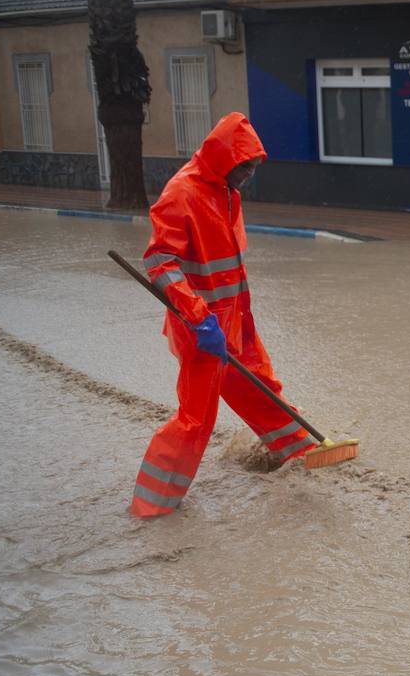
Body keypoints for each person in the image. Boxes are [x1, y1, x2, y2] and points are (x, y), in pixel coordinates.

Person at [131, 113, 315, 517]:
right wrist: (198, 318)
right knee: (196, 419)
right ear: (223, 160)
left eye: (252, 167)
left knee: (261, 386)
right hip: (200, 327)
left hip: (233, 320)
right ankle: (152, 506)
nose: (248, 175)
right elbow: (160, 262)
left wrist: (234, 319)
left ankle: (301, 453)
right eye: (243, 166)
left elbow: (226, 266)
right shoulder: (182, 193)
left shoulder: (227, 192)